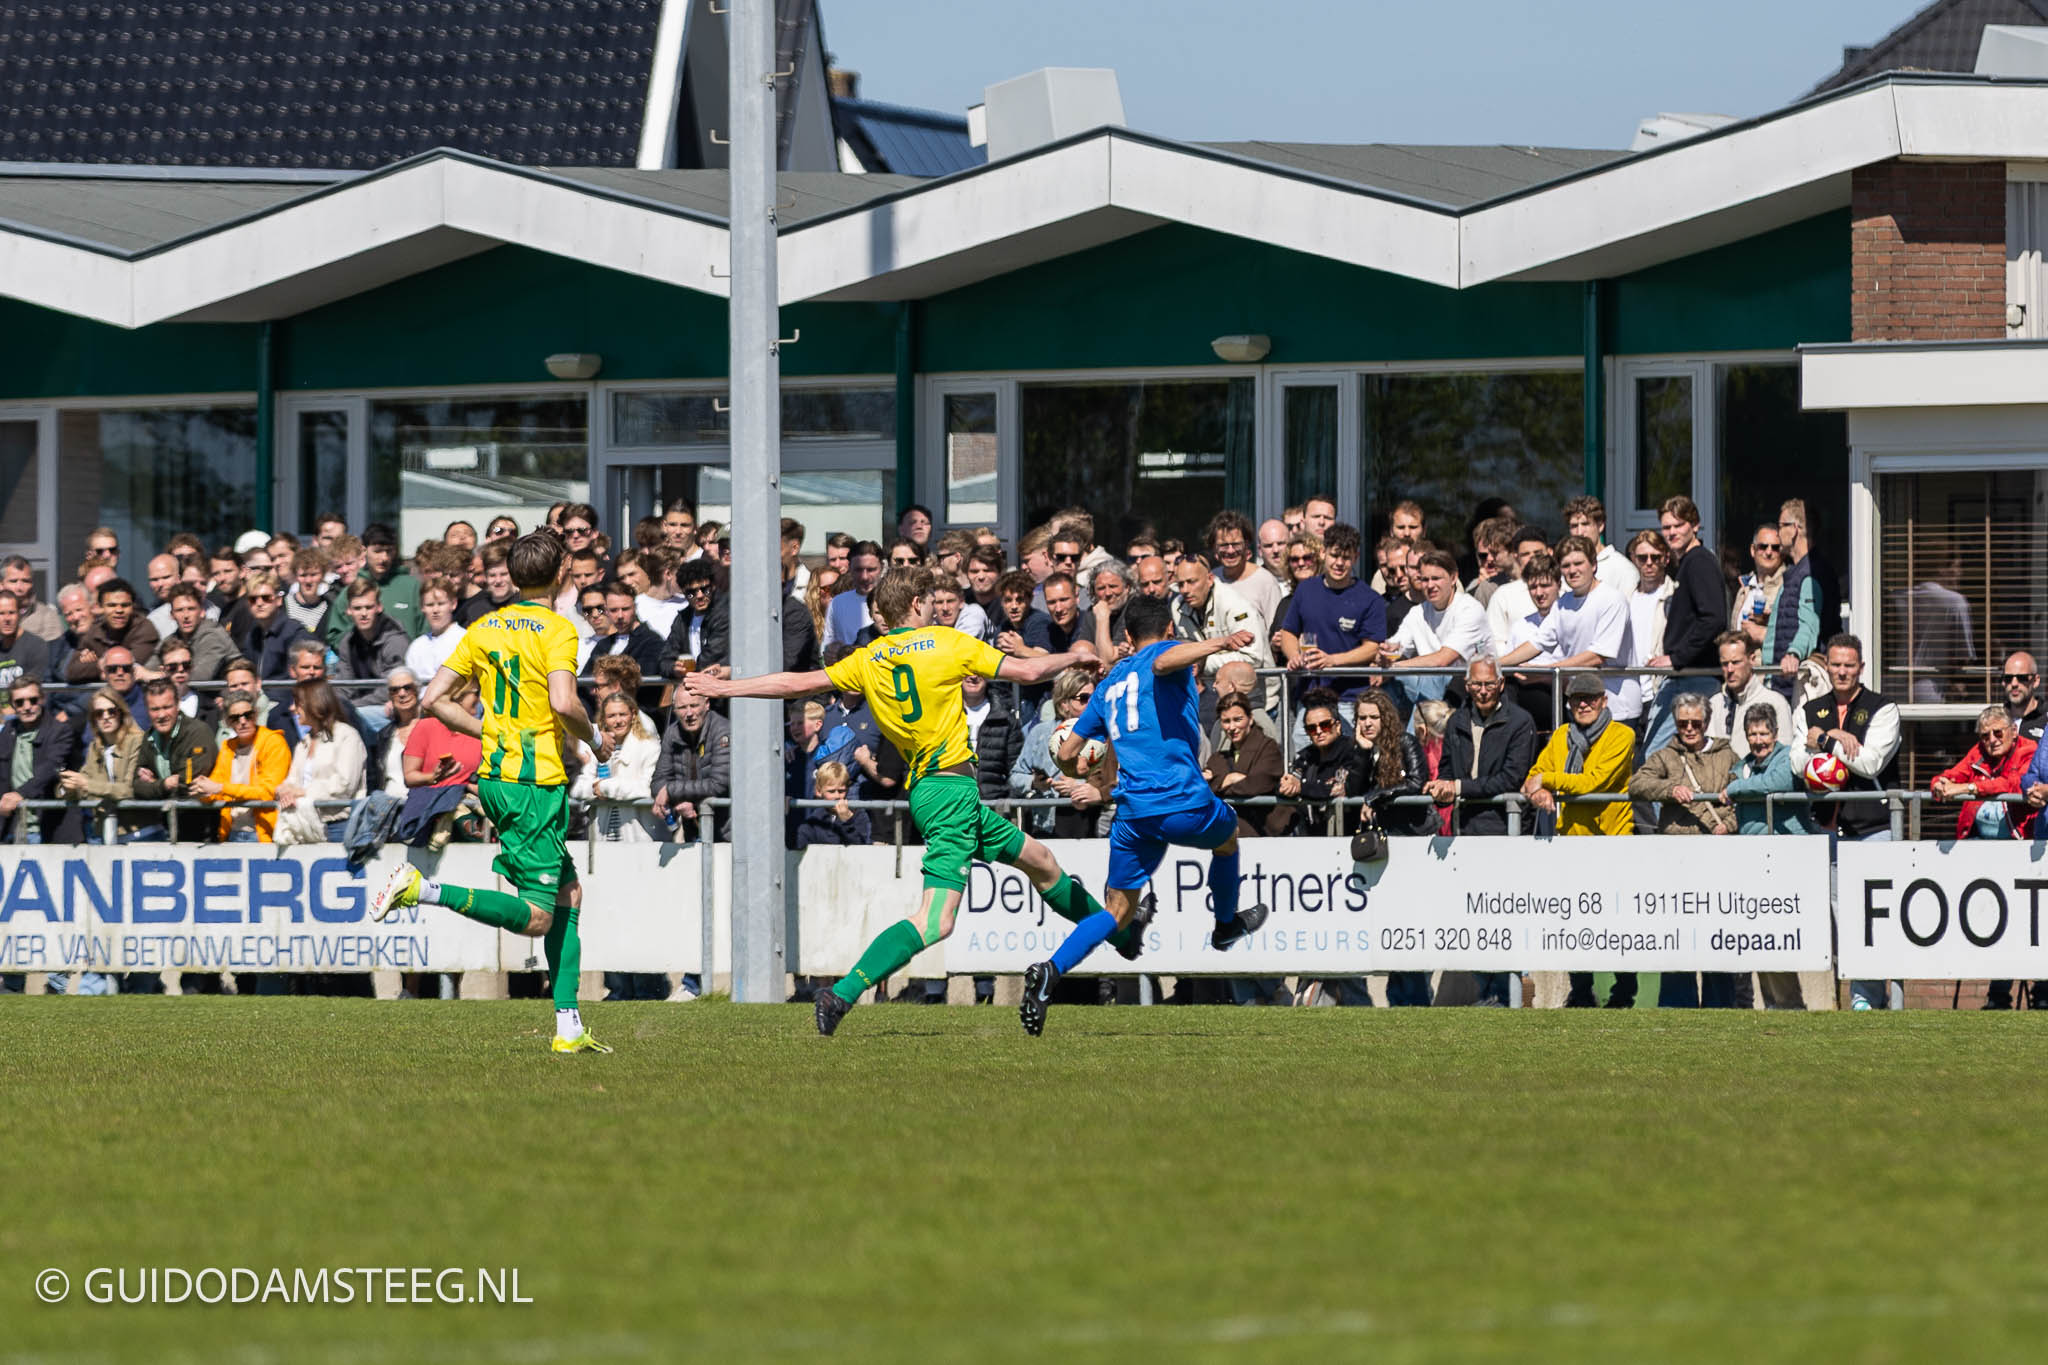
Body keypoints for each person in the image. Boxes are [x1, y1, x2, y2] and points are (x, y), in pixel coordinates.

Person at [686, 567, 1117, 1037]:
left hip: (938, 792)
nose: (935, 606)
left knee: (1042, 860)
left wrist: (725, 688)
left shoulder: (870, 658)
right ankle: (843, 992)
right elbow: (1031, 671)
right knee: (937, 921)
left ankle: (1124, 931)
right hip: (950, 790)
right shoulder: (947, 643)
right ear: (916, 605)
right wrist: (1076, 658)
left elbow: (796, 684)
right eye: (931, 600)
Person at [372, 530, 616, 1055]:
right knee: (538, 916)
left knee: (568, 894)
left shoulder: (484, 627)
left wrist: (490, 733)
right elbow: (564, 702)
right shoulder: (558, 630)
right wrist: (597, 739)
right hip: (533, 785)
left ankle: (569, 1024)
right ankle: (423, 890)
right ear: (559, 575)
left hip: (500, 777)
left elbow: (434, 698)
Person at [1024, 596, 1270, 1034]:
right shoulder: (1161, 657)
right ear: (1169, 630)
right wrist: (1221, 642)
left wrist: (1075, 770)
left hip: (1133, 814)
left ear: (1128, 638)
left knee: (1117, 910)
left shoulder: (1108, 685)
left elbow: (1066, 752)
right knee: (1228, 836)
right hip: (1182, 802)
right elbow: (1163, 661)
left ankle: (1050, 971)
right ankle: (1226, 925)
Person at [1789, 633, 1901, 1011]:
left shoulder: (1883, 708)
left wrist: (1822, 742)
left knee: (1869, 916)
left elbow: (1870, 762)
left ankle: (1866, 999)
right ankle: (1846, 998)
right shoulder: (1810, 708)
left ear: (1861, 669)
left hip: (1873, 828)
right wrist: (1832, 742)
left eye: (1849, 665)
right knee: (1838, 915)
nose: (1841, 671)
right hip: (1825, 828)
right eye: (1835, 665)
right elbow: (1795, 761)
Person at [1527, 673, 1635, 1008]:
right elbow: (1533, 775)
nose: (1583, 704)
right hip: (1571, 841)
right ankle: (1582, 988)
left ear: (1604, 700)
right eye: (1576, 699)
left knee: (1617, 923)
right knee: (1576, 918)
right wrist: (1541, 790)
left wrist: (1548, 780)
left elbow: (1594, 781)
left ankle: (1623, 990)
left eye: (1589, 698)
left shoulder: (1623, 734)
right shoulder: (1561, 735)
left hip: (1612, 841)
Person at [1627, 694, 1740, 1007]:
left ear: (1705, 722)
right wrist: (1668, 790)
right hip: (1676, 857)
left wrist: (1727, 825)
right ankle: (1678, 1004)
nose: (1689, 729)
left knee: (1718, 933)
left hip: (1717, 855)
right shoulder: (1665, 756)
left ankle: (1721, 1005)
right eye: (1682, 723)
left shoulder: (1727, 754)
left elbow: (1741, 794)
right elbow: (1636, 784)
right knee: (1678, 933)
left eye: (1695, 723)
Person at [1499, 536, 1639, 728]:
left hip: (1616, 707)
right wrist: (1495, 664)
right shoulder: (1563, 603)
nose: (1572, 570)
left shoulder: (1612, 599)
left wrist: (1548, 672)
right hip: (1577, 705)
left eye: (1578, 563)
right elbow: (1536, 643)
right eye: (1566, 565)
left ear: (1594, 565)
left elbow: (1597, 656)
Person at [1384, 548, 1491, 708]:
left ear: (1454, 578)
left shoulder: (1469, 608)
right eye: (1425, 579)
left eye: (1436, 578)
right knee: (1386, 684)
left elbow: (1443, 660)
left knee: (1432, 676)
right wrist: (1384, 654)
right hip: (1432, 683)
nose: (1430, 585)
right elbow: (1396, 647)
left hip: (1471, 685)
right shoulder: (1417, 612)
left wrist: (1396, 666)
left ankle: (1417, 732)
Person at [273, 679, 367, 845]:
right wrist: (284, 791)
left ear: (314, 703)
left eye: (297, 703)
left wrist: (302, 792)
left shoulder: (347, 736)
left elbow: (344, 785)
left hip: (338, 826)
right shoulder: (304, 743)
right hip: (304, 823)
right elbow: (292, 780)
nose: (292, 708)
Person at [195, 688, 291, 843]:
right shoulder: (227, 747)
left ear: (256, 713)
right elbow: (215, 789)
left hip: (264, 834)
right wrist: (202, 791)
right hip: (232, 832)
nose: (243, 721)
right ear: (227, 722)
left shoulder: (274, 743)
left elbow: (268, 792)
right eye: (235, 718)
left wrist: (220, 788)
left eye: (248, 715)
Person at [1172, 556, 1269, 705]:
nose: (1185, 590)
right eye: (1180, 584)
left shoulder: (1234, 604)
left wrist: (1201, 661)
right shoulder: (1177, 606)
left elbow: (1253, 657)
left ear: (1210, 579)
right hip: (1208, 696)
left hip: (1252, 699)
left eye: (1192, 582)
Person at [1767, 499, 1836, 703]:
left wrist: (1794, 654)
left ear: (1795, 529)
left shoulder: (1810, 574)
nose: (1777, 533)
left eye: (1780, 526)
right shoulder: (1794, 574)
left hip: (1799, 686)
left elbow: (1809, 624)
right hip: (1784, 683)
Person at [133, 677, 218, 842]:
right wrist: (164, 784)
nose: (161, 715)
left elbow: (190, 782)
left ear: (178, 704)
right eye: (155, 709)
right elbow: (136, 786)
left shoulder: (198, 732)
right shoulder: (148, 737)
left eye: (167, 707)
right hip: (164, 828)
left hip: (201, 831)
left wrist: (155, 784)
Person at [1277, 689, 1365, 837]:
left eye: (1325, 725)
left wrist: (1301, 787)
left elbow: (1340, 789)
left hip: (1352, 836)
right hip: (1313, 837)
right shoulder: (1306, 755)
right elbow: (1285, 785)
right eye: (1311, 728)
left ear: (1337, 726)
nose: (1318, 731)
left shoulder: (1352, 751)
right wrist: (1286, 785)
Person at [651, 686, 731, 840]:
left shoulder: (723, 731)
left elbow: (718, 784)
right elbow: (657, 783)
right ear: (674, 709)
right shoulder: (672, 733)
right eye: (682, 707)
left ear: (707, 704)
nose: (689, 713)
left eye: (694, 706)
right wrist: (679, 801)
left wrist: (671, 791)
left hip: (727, 829)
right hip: (692, 829)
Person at [1205, 689, 1284, 837]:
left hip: (1264, 832)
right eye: (1226, 721)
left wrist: (1218, 785)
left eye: (1238, 719)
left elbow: (1259, 783)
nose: (1232, 727)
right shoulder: (1218, 757)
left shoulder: (1268, 747)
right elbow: (1203, 788)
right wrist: (1228, 779)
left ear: (1251, 719)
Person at [336, 578, 411, 726]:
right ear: (349, 610)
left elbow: (390, 689)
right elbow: (343, 685)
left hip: (390, 708)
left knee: (351, 717)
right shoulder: (348, 642)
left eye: (368, 607)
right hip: (358, 706)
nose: (363, 613)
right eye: (357, 608)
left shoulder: (396, 640)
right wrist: (337, 705)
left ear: (379, 607)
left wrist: (351, 707)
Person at [65, 577, 159, 682]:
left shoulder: (145, 629)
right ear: (101, 607)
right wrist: (100, 666)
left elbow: (128, 666)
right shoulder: (95, 630)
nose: (119, 610)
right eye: (111, 605)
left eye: (125, 605)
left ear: (133, 606)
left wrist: (100, 664)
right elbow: (72, 671)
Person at [231, 571, 316, 683]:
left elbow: (303, 677)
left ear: (278, 600)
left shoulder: (295, 633)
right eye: (253, 599)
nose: (259, 603)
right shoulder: (253, 634)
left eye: (266, 598)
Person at [1206, 509, 1283, 632]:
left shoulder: (1265, 582)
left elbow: (1276, 633)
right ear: (1214, 548)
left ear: (1246, 545)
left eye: (1236, 544)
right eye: (1224, 545)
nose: (1230, 551)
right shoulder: (1211, 580)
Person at [1563, 495, 1636, 596]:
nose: (1579, 532)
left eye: (1585, 524)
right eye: (1574, 526)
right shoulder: (1566, 567)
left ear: (1600, 526)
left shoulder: (1622, 568)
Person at [796, 759, 871, 848]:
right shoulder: (815, 818)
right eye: (831, 791)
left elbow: (861, 848)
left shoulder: (858, 814)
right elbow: (797, 846)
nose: (837, 796)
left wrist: (847, 822)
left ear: (847, 789)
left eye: (841, 791)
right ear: (818, 791)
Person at [1732, 522, 1785, 645]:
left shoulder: (1789, 585)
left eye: (1775, 547)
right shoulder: (1744, 588)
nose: (1769, 552)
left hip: (1770, 663)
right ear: (1752, 550)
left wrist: (1763, 629)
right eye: (1763, 546)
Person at [406, 577, 466, 683]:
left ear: (453, 604)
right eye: (430, 605)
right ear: (422, 607)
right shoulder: (416, 646)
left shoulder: (465, 640)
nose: (435, 610)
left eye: (441, 604)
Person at [1, 555, 63, 642]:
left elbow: (52, 652)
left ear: (32, 584)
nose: (20, 588)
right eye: (13, 581)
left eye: (25, 581)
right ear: (1, 585)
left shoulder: (47, 616)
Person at [0, 591, 48, 695]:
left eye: (11, 613)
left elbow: (33, 691)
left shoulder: (36, 646)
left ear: (19, 614)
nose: (6, 619)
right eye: (1, 613)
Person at [2004, 651, 2045, 744]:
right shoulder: (1997, 720)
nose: (2014, 684)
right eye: (2008, 678)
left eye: (2022, 678)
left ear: (2035, 681)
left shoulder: (2045, 719)